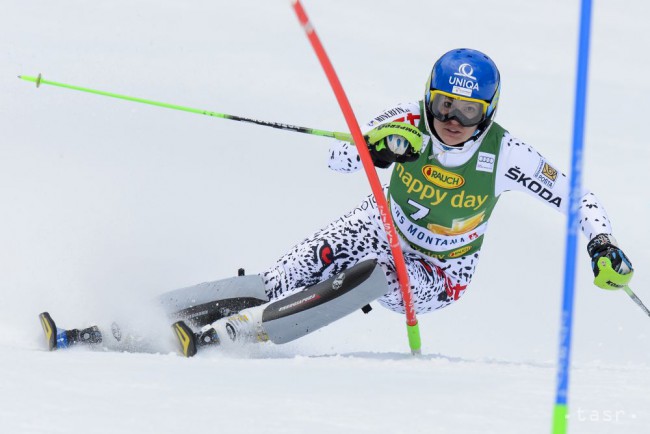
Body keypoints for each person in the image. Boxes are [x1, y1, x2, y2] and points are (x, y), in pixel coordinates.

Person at [41, 48, 634, 356]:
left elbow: (578, 197)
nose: (451, 122)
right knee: (280, 277)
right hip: (378, 221)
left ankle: (240, 335)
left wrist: (602, 245)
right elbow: (337, 158)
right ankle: (122, 326)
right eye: (443, 106)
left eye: (468, 112)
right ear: (428, 100)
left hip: (441, 268)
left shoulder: (507, 155)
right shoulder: (407, 124)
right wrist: (376, 150)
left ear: (489, 113)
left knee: (375, 273)